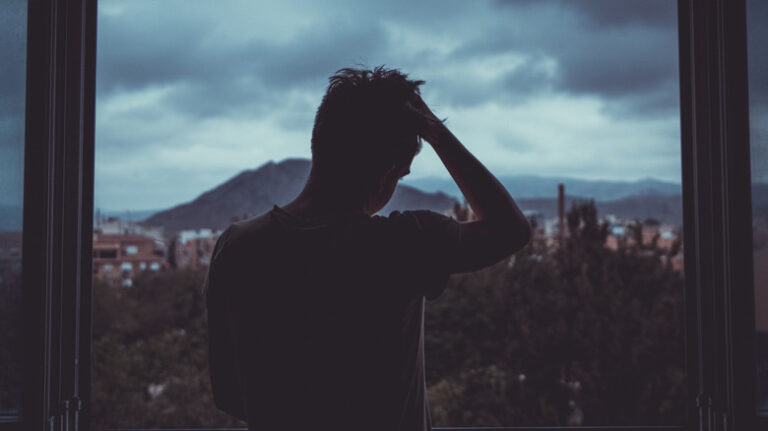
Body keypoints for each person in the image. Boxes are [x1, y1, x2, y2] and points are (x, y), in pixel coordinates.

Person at [204, 66, 532, 431]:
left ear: (321, 143)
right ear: (386, 172)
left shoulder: (237, 247)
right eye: (402, 174)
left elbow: (230, 395)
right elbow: (511, 230)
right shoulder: (400, 244)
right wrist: (436, 132)